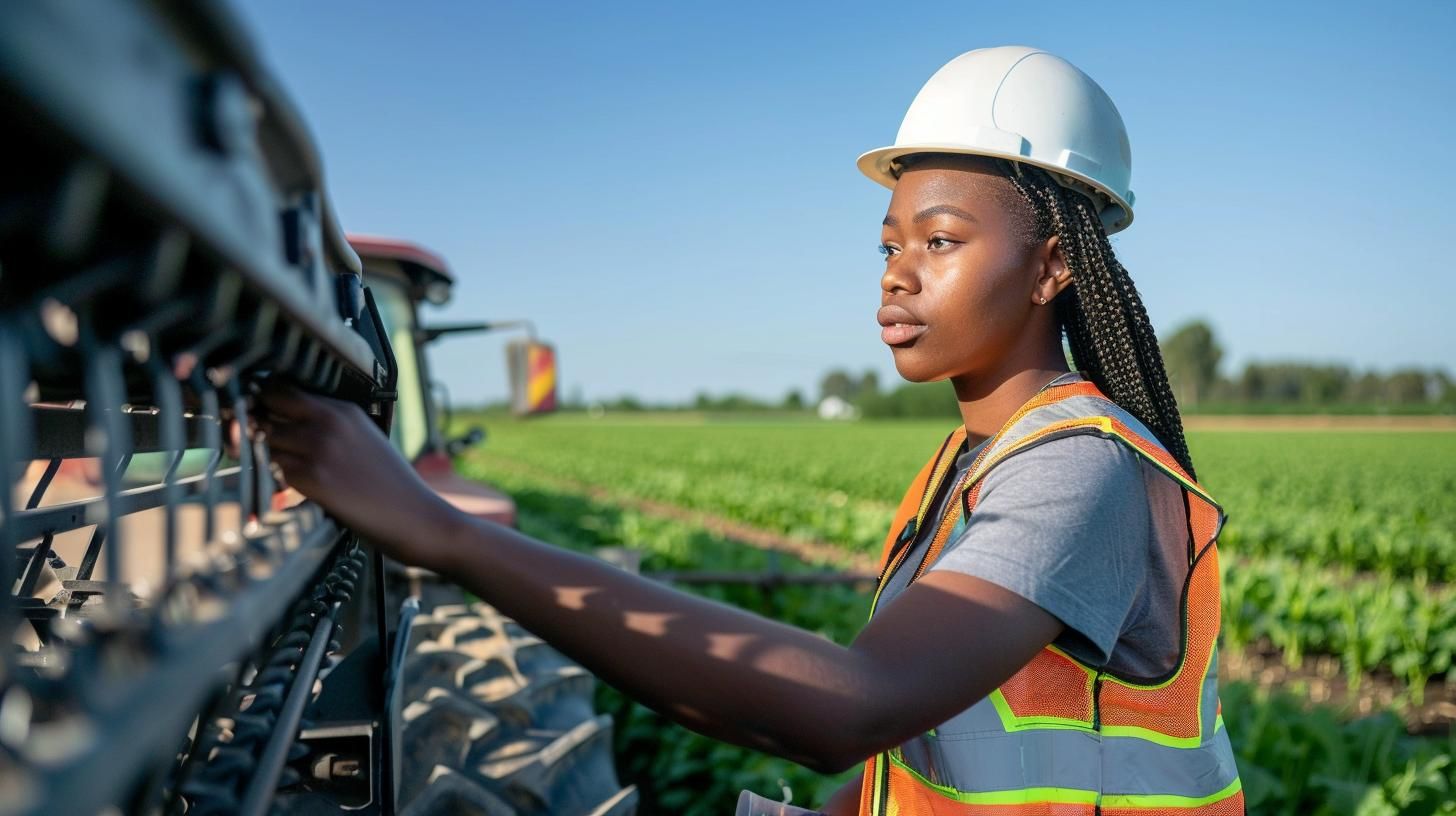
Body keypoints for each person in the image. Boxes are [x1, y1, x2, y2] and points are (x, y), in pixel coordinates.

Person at [260, 46, 1243, 816]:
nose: (896, 274)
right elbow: (936, 733)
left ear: (1053, 264)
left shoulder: (1081, 472)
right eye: (889, 243)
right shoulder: (974, 459)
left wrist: (441, 530)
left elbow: (856, 703)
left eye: (940, 241)